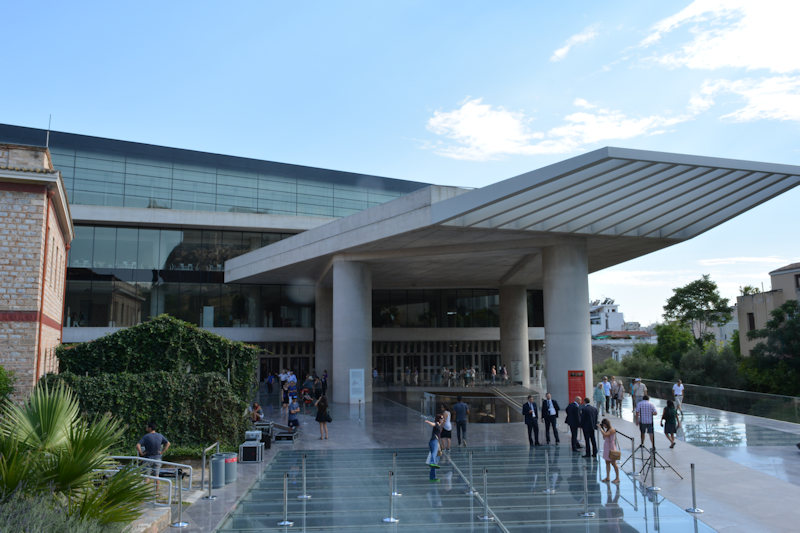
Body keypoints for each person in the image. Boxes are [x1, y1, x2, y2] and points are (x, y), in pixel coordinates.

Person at [136, 422, 170, 488]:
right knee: (157, 476)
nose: (146, 428)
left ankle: (145, 493)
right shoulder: (160, 435)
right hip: (158, 459)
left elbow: (138, 445)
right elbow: (168, 443)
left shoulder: (146, 436)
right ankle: (157, 494)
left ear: (150, 428)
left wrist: (141, 453)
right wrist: (162, 452)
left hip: (148, 458)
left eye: (147, 427)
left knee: (147, 476)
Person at [599, 418, 620, 483]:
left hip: (611, 448)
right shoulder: (608, 430)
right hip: (607, 447)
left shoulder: (612, 430)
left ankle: (617, 478)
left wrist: (600, 428)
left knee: (614, 463)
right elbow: (604, 437)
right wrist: (603, 430)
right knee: (607, 462)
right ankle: (608, 477)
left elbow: (605, 435)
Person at [423, 414, 444, 481]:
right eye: (441, 418)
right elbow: (433, 424)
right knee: (434, 456)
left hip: (435, 442)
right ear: (439, 419)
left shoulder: (440, 425)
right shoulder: (437, 423)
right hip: (434, 441)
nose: (443, 419)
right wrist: (428, 422)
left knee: (435, 459)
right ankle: (432, 463)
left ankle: (432, 477)